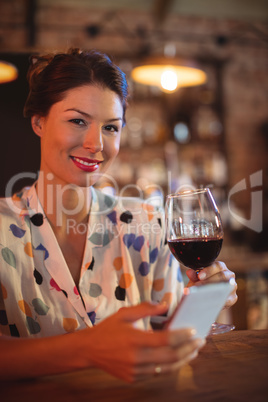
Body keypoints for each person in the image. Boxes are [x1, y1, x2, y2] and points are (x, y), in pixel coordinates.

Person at [0, 48, 237, 383]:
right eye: (78, 121)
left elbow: (170, 338)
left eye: (111, 127)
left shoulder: (147, 224)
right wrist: (87, 348)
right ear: (39, 122)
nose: (97, 144)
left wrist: (204, 304)